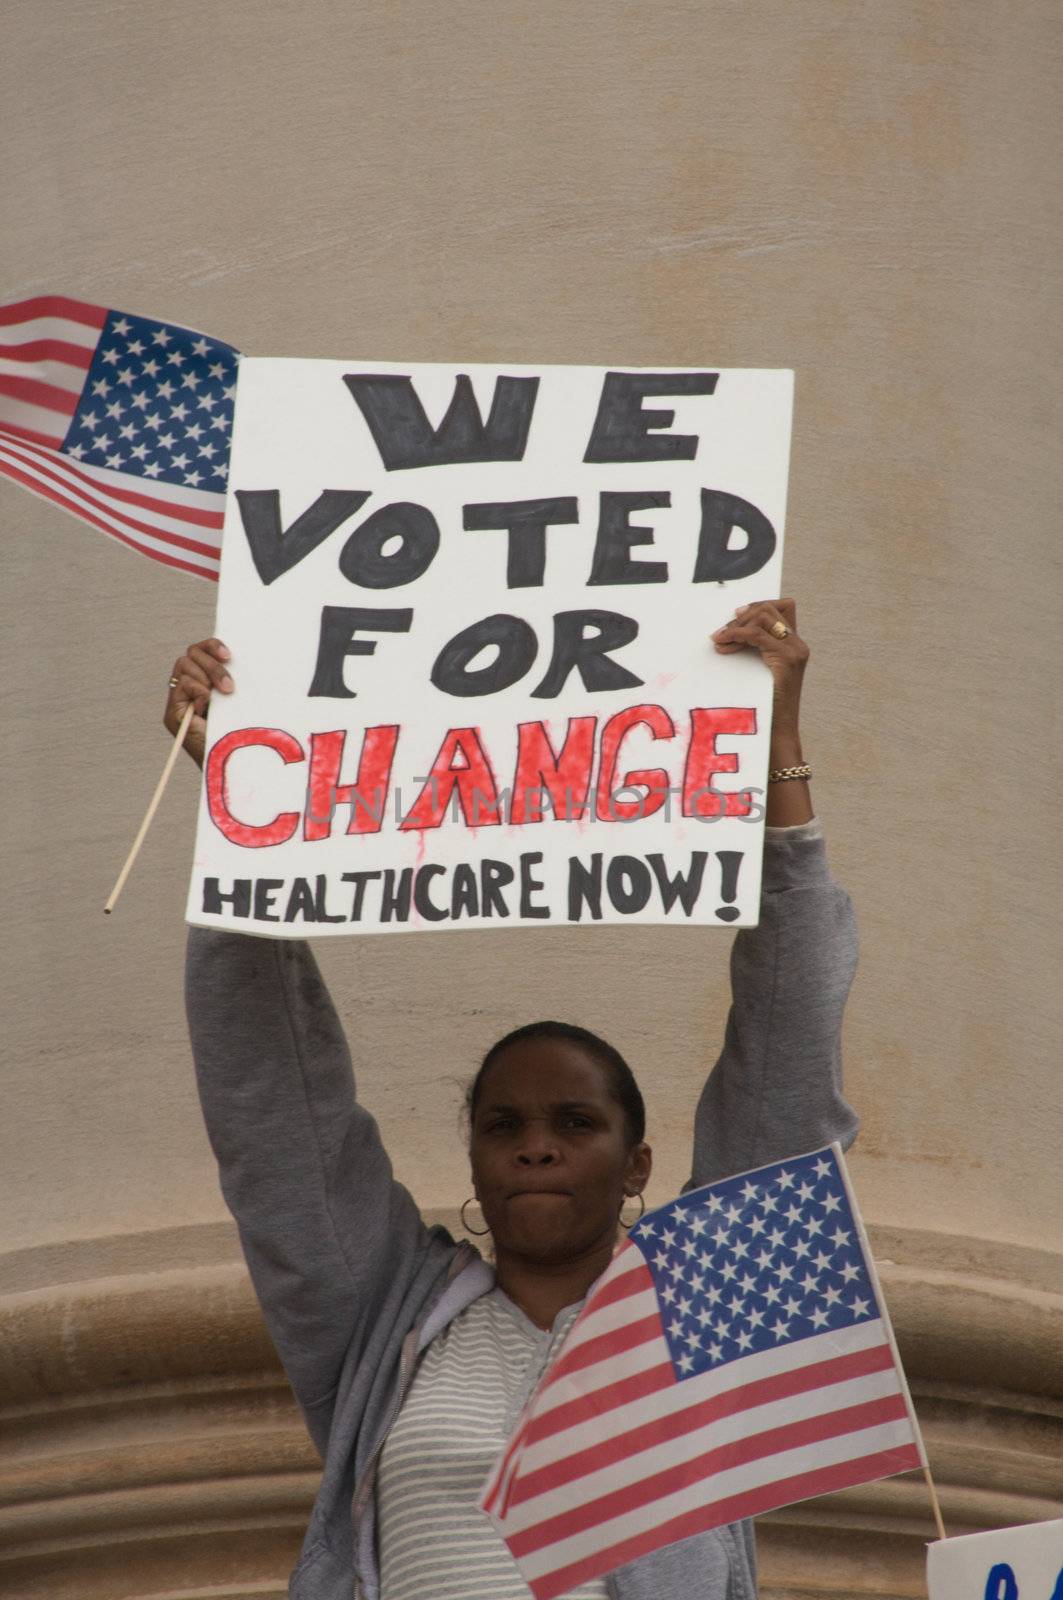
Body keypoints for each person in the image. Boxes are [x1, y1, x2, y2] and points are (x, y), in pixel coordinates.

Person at [167, 598, 858, 1600]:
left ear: (636, 1166)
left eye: (575, 1123)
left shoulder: (701, 1304)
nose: (535, 1145)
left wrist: (777, 756)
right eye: (505, 1125)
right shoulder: (383, 1321)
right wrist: (242, 809)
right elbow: (275, 1112)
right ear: (477, 1164)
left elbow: (787, 1064)